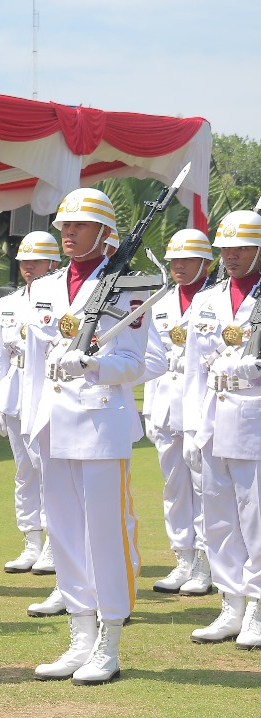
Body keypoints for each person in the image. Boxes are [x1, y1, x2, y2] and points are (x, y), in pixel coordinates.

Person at [21, 188, 146, 685]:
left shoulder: (129, 286)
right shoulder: (46, 287)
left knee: (105, 537)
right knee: (66, 535)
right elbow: (37, 363)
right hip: (53, 423)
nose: (67, 234)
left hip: (100, 423)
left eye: (78, 227)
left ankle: (109, 642)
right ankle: (79, 636)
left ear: (104, 233)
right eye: (64, 226)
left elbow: (142, 362)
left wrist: (95, 366)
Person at [181, 209, 261, 649]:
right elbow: (194, 368)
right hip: (211, 418)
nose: (230, 256)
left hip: (253, 417)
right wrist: (192, 426)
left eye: (241, 248)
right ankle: (231, 602)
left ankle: (257, 605)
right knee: (217, 519)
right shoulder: (208, 300)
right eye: (225, 248)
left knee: (256, 518)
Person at [142, 228, 214, 596]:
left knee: (204, 487)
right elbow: (153, 360)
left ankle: (205, 561)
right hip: (166, 404)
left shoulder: (215, 300)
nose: (179, 266)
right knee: (173, 486)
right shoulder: (162, 301)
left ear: (206, 262)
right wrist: (150, 412)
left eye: (186, 260)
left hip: (200, 403)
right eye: (174, 261)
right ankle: (182, 557)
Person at [0, 232, 60, 581]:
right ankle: (31, 540)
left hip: (46, 389)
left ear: (54, 263)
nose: (29, 266)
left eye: (37, 260)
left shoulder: (60, 300)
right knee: (24, 470)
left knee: (47, 468)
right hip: (15, 391)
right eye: (24, 261)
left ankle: (52, 542)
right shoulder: (9, 302)